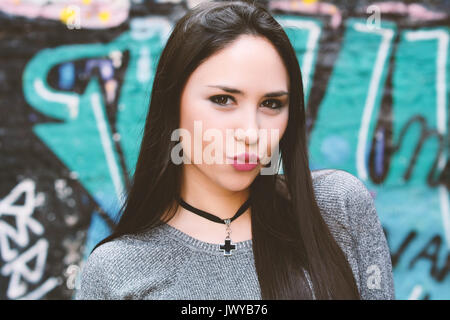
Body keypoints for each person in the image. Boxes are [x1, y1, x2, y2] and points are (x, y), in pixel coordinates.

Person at [76, 0, 395, 300]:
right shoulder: (117, 270)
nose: (251, 132)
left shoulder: (338, 208)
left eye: (272, 104)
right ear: (172, 106)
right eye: (223, 100)